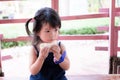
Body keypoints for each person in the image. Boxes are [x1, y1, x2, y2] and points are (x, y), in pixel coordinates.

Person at [25, 7, 70, 80]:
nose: (52, 35)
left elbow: (67, 66)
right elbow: (33, 71)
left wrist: (59, 56)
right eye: (48, 31)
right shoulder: (34, 49)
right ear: (37, 32)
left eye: (56, 30)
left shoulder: (60, 46)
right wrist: (41, 58)